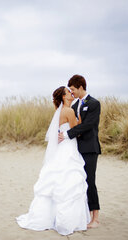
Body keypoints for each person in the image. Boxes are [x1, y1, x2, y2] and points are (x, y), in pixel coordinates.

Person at [16, 86, 90, 236]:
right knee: (69, 181)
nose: (71, 93)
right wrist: (80, 116)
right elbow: (78, 130)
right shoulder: (68, 111)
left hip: (64, 147)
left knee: (60, 181)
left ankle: (52, 217)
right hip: (69, 149)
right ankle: (67, 221)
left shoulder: (62, 111)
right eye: (68, 92)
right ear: (64, 97)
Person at [58, 74, 101, 228]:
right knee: (80, 181)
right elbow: (70, 121)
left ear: (81, 87)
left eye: (73, 89)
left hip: (90, 148)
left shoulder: (94, 103)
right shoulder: (75, 105)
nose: (72, 92)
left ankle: (95, 217)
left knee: (90, 181)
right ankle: (86, 214)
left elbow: (88, 124)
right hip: (76, 149)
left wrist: (67, 134)